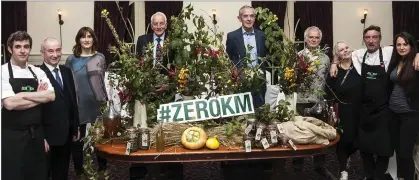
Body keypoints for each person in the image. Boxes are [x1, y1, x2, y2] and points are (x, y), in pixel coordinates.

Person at [329, 25, 419, 180]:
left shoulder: (390, 52)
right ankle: (369, 175)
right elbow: (340, 53)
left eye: (375, 37)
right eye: (368, 38)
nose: (371, 41)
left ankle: (378, 175)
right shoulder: (358, 54)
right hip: (365, 109)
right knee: (365, 147)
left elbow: (407, 47)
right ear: (364, 40)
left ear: (380, 39)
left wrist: (418, 54)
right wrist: (333, 63)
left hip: (385, 109)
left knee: (385, 147)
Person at [1, 31, 55, 180]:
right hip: (11, 137)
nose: (23, 50)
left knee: (37, 174)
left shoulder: (37, 72)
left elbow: (51, 95)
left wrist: (21, 96)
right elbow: (10, 104)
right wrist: (38, 96)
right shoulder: (3, 72)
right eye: (18, 46)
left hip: (36, 135)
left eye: (26, 46)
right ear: (10, 49)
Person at [66, 27, 108, 177]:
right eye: (83, 37)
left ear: (93, 39)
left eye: (89, 36)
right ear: (78, 40)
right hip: (79, 104)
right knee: (77, 139)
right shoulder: (71, 60)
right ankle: (79, 170)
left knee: (100, 139)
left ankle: (103, 168)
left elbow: (103, 82)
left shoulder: (100, 57)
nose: (86, 39)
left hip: (97, 103)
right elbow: (68, 83)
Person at [292, 26, 330, 179]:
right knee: (298, 134)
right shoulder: (298, 56)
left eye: (317, 38)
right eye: (311, 37)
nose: (314, 40)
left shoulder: (325, 58)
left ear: (320, 40)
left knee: (320, 135)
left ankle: (319, 166)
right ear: (306, 39)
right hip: (300, 101)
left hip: (318, 102)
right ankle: (297, 167)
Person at [39, 38, 80, 180]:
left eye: (58, 50)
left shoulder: (66, 71)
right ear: (42, 53)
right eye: (50, 51)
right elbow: (36, 109)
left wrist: (75, 127)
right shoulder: (37, 74)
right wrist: (41, 136)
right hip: (47, 137)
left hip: (66, 135)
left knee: (62, 174)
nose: (55, 54)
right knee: (44, 174)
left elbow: (72, 100)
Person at [326, 41, 362, 180]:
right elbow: (329, 92)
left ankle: (349, 157)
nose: (345, 51)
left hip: (360, 109)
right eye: (341, 50)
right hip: (343, 110)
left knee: (358, 139)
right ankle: (343, 170)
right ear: (337, 54)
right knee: (343, 140)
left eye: (347, 47)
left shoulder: (359, 65)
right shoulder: (335, 71)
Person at [387, 32, 419, 180]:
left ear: (411, 46)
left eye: (405, 44)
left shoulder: (416, 62)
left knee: (406, 153)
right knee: (398, 151)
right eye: (398, 44)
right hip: (393, 113)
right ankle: (401, 177)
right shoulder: (396, 61)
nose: (401, 47)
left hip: (410, 114)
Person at [226, 5, 267, 109]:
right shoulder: (232, 36)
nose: (249, 19)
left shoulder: (262, 36)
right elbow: (230, 58)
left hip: (259, 82)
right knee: (242, 115)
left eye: (252, 16)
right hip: (241, 81)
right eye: (245, 16)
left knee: (260, 114)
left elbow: (263, 56)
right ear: (239, 18)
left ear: (254, 18)